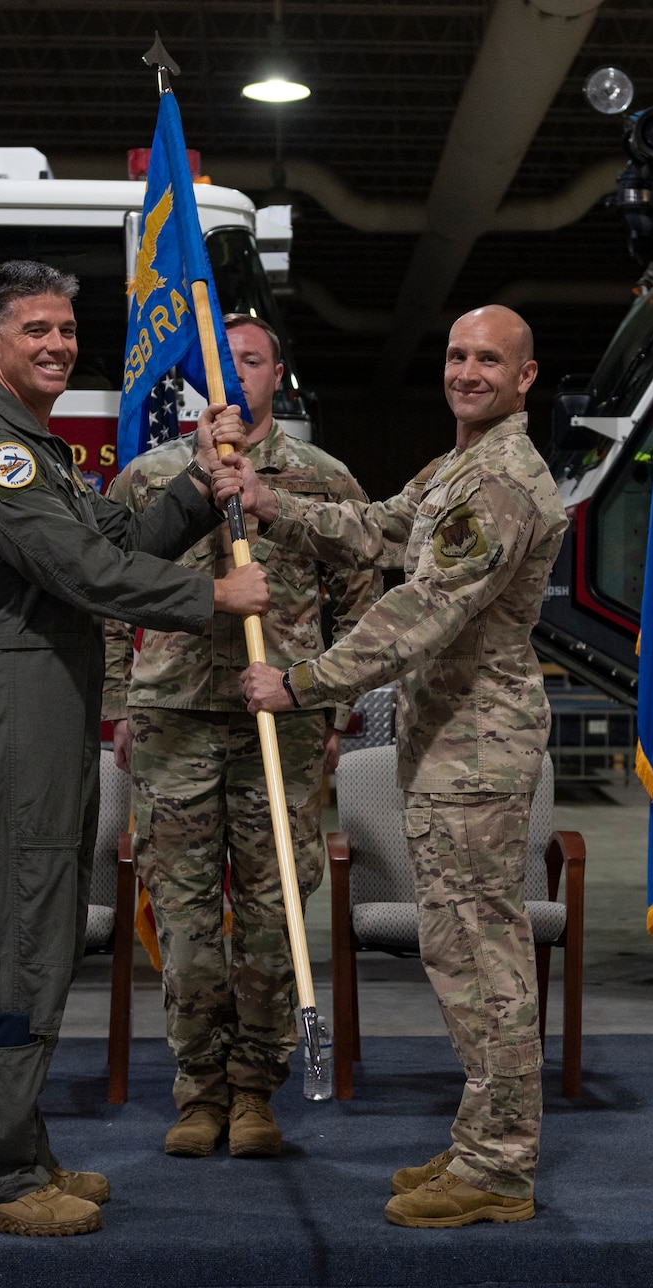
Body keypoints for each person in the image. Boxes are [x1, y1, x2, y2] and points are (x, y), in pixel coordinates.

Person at [0, 260, 268, 1237]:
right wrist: (212, 598)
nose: (56, 344)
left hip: (51, 696)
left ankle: (20, 1149)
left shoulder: (38, 451)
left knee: (38, 931)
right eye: (34, 328)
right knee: (12, 940)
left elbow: (117, 532)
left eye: (67, 330)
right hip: (14, 697)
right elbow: (85, 571)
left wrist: (201, 490)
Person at [229, 305, 567, 1229]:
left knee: (482, 954)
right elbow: (380, 530)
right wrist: (271, 506)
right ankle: (479, 1141)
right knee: (461, 948)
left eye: (488, 359)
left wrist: (299, 682)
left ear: (524, 377)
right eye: (456, 353)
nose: (466, 371)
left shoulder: (499, 479)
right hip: (446, 737)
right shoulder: (458, 464)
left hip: (477, 744)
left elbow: (421, 611)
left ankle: (499, 1167)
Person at [103, 314, 381, 1159]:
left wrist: (332, 707)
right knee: (185, 922)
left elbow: (360, 606)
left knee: (272, 916)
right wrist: (120, 703)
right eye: (222, 363)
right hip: (174, 721)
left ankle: (258, 1087)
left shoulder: (323, 480)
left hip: (282, 721)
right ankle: (199, 1091)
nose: (236, 376)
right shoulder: (151, 480)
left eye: (252, 360)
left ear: (275, 375)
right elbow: (108, 591)